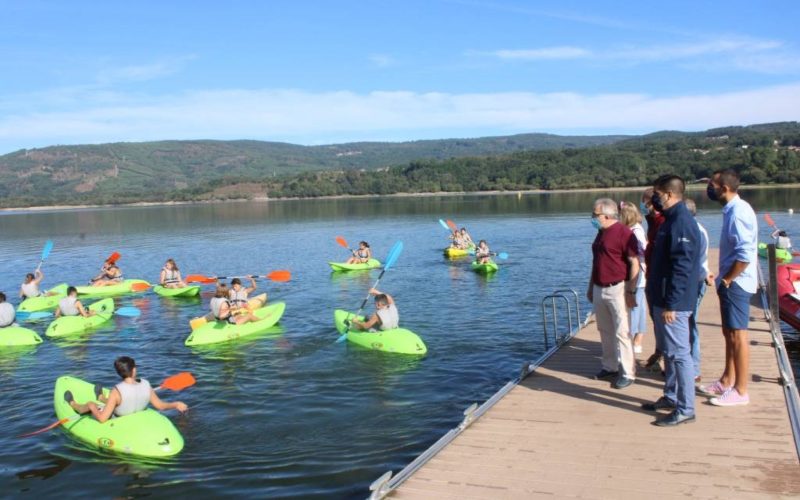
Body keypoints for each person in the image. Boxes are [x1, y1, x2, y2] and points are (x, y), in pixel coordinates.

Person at [641, 175, 702, 427]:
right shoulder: (668, 220)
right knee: (668, 351)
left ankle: (686, 408)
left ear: (667, 194)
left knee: (679, 355)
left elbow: (683, 266)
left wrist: (673, 304)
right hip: (661, 298)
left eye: (657, 193)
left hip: (673, 302)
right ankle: (670, 396)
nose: (655, 198)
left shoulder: (682, 222)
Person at [699, 169, 758, 407]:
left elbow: (744, 254)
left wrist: (728, 279)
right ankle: (726, 380)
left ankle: (740, 390)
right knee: (729, 334)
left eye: (712, 184)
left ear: (724, 188)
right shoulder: (732, 210)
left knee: (738, 335)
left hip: (737, 282)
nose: (709, 187)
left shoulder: (738, 213)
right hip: (731, 280)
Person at [587, 198, 640, 390]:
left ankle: (628, 372)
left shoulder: (624, 233)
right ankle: (609, 366)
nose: (592, 218)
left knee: (622, 332)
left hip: (618, 287)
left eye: (595, 215)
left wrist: (631, 290)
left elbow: (634, 263)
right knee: (605, 330)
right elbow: (596, 262)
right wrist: (590, 286)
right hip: (600, 287)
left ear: (607, 215)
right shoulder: (600, 234)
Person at [64, 356, 187, 423]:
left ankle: (74, 404)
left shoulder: (116, 391)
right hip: (133, 415)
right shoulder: (146, 384)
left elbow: (102, 419)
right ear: (133, 370)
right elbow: (160, 406)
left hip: (119, 418)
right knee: (113, 402)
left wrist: (92, 407)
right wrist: (176, 404)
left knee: (92, 404)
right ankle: (100, 398)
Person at [685, 199, 714, 382]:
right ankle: (685, 364)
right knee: (686, 323)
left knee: (690, 323)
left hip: (695, 282)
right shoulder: (691, 229)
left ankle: (694, 368)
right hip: (691, 281)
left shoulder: (696, 231)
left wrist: (706, 276)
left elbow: (697, 260)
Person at [618, 201, 648, 355]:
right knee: (639, 308)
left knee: (634, 308)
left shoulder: (634, 232)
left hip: (636, 275)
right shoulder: (636, 229)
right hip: (640, 275)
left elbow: (641, 252)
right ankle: (637, 340)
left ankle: (632, 339)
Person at [641, 187, 666, 371]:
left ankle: (666, 357)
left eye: (645, 202)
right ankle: (659, 351)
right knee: (655, 318)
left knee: (663, 320)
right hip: (651, 275)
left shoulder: (662, 221)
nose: (643, 206)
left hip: (660, 278)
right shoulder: (651, 221)